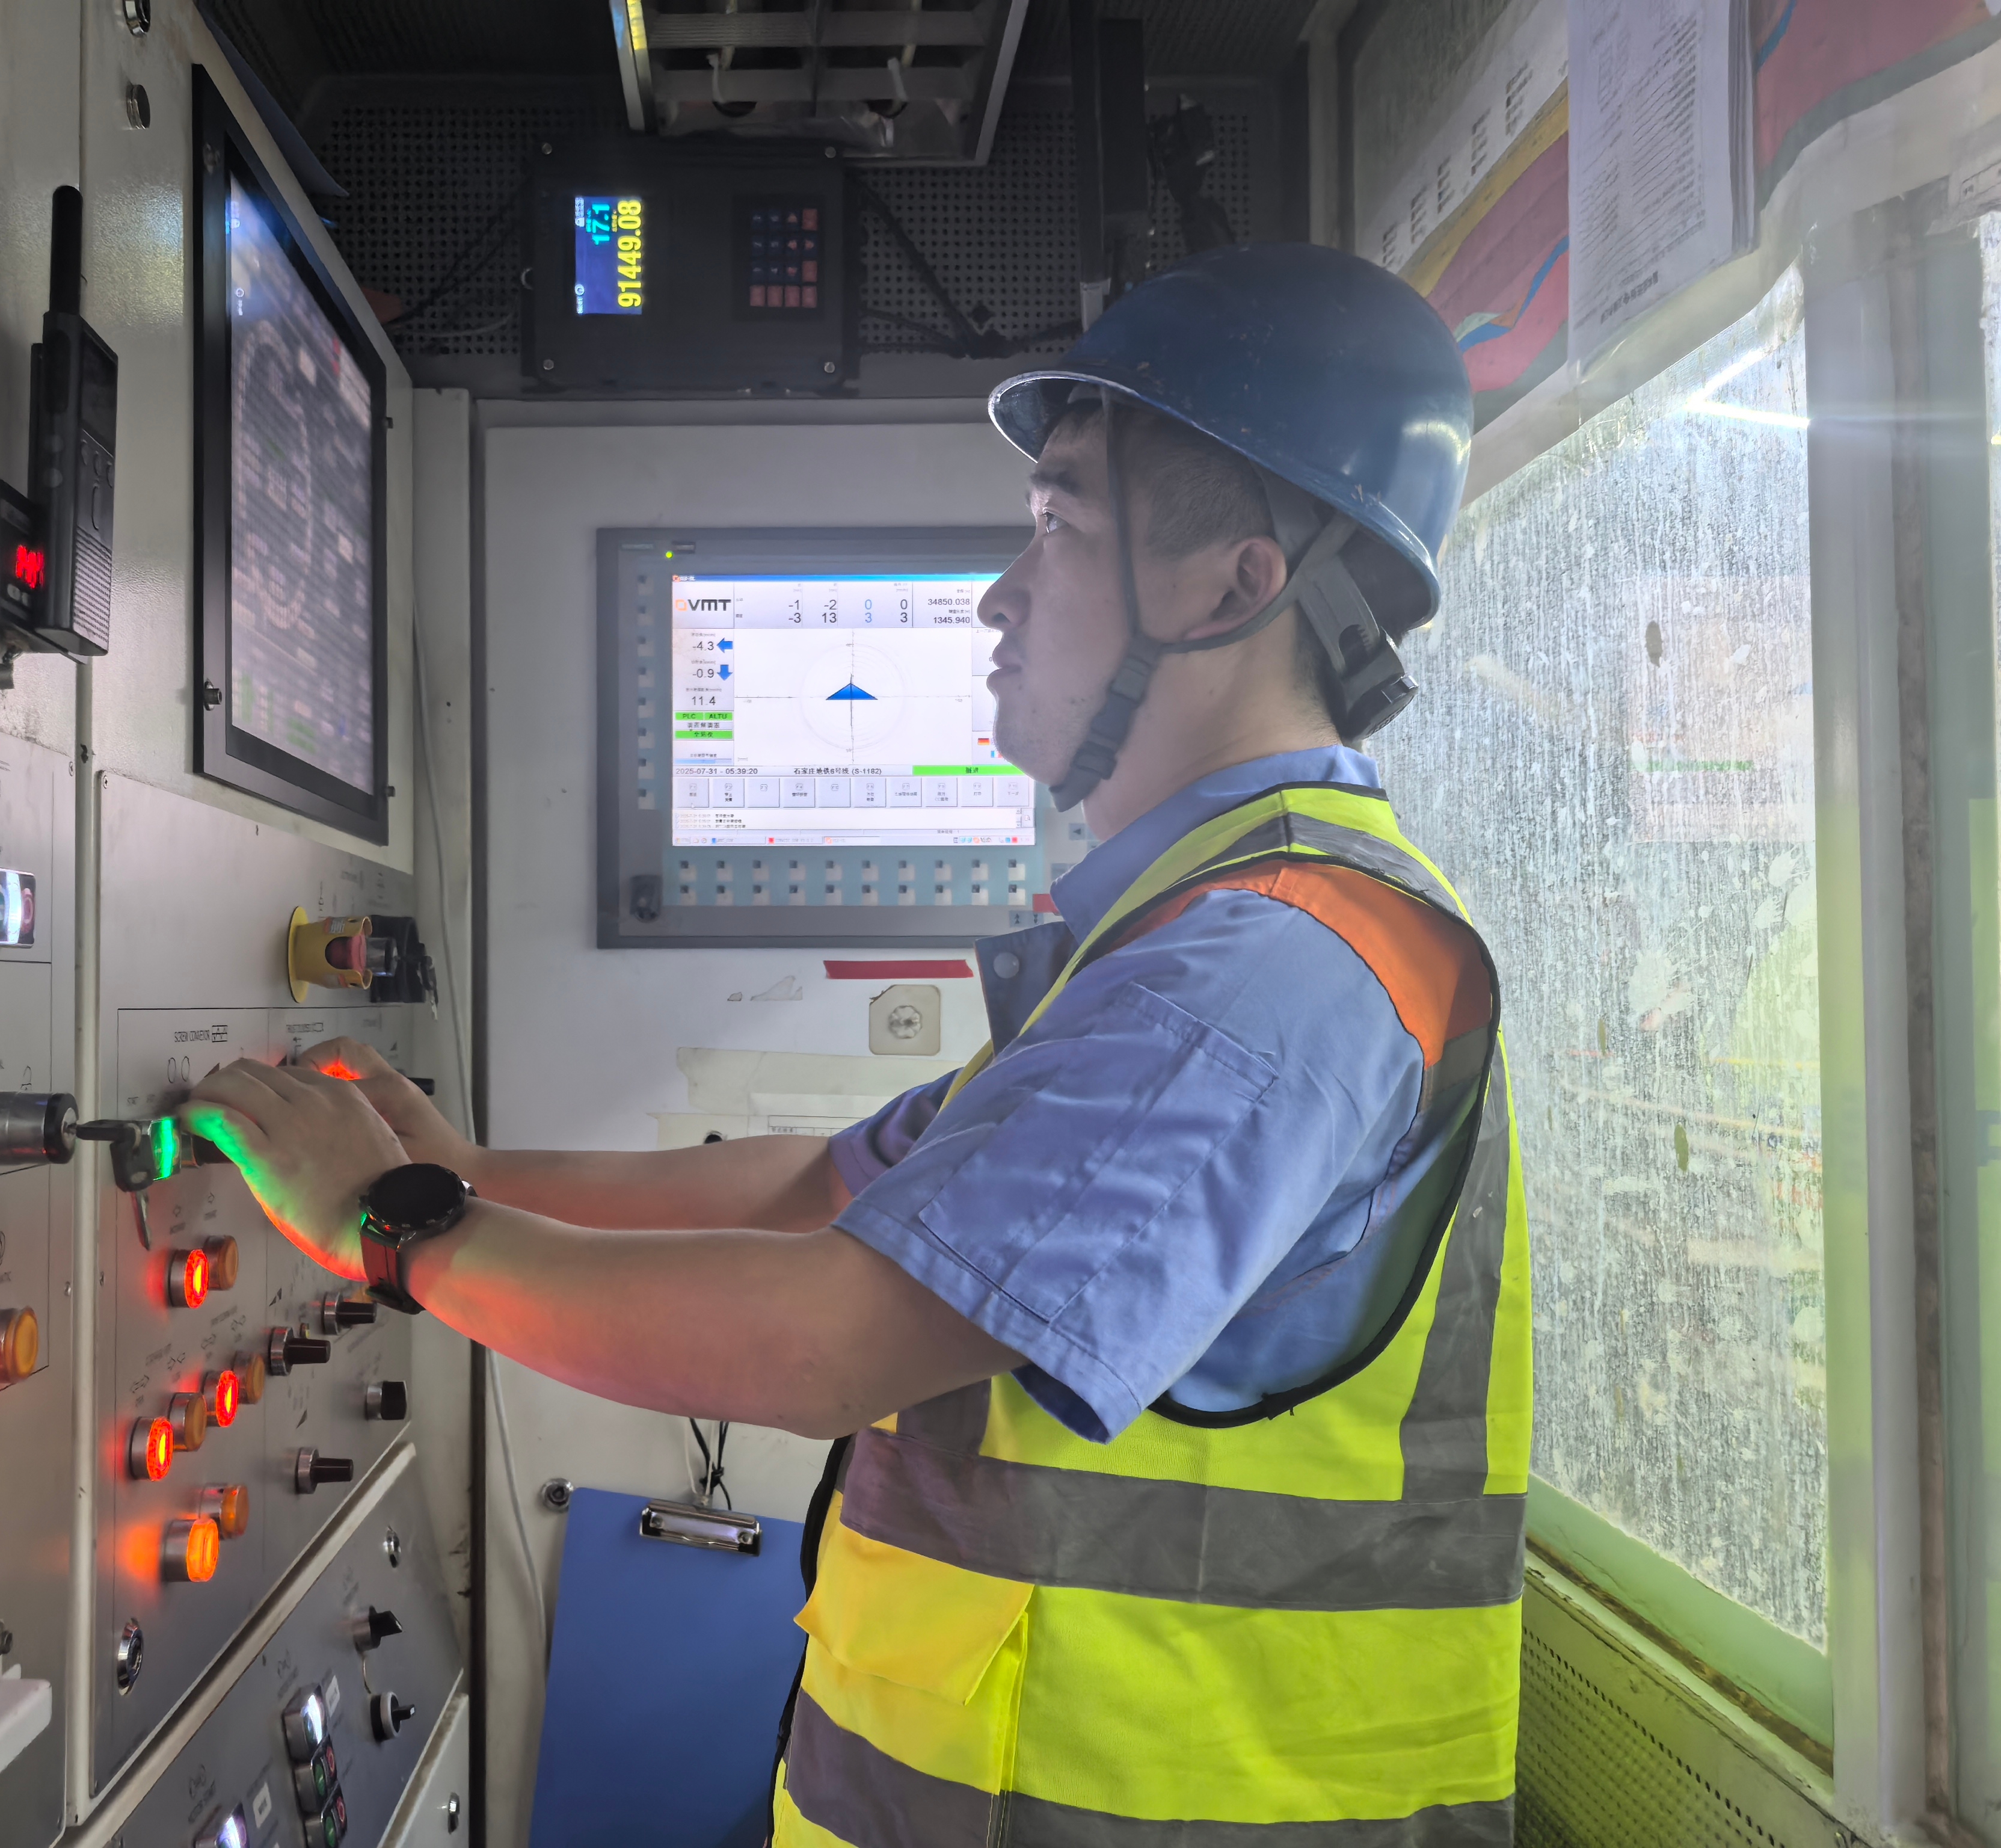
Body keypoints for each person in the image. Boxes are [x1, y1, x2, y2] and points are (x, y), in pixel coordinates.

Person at [184, 242, 1531, 1847]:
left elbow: (830, 1338)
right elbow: (815, 1191)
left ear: (1235, 585)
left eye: (1059, 527)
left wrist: (391, 1229)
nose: (999, 597)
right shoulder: (1191, 930)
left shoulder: (1269, 963)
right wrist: (468, 1171)